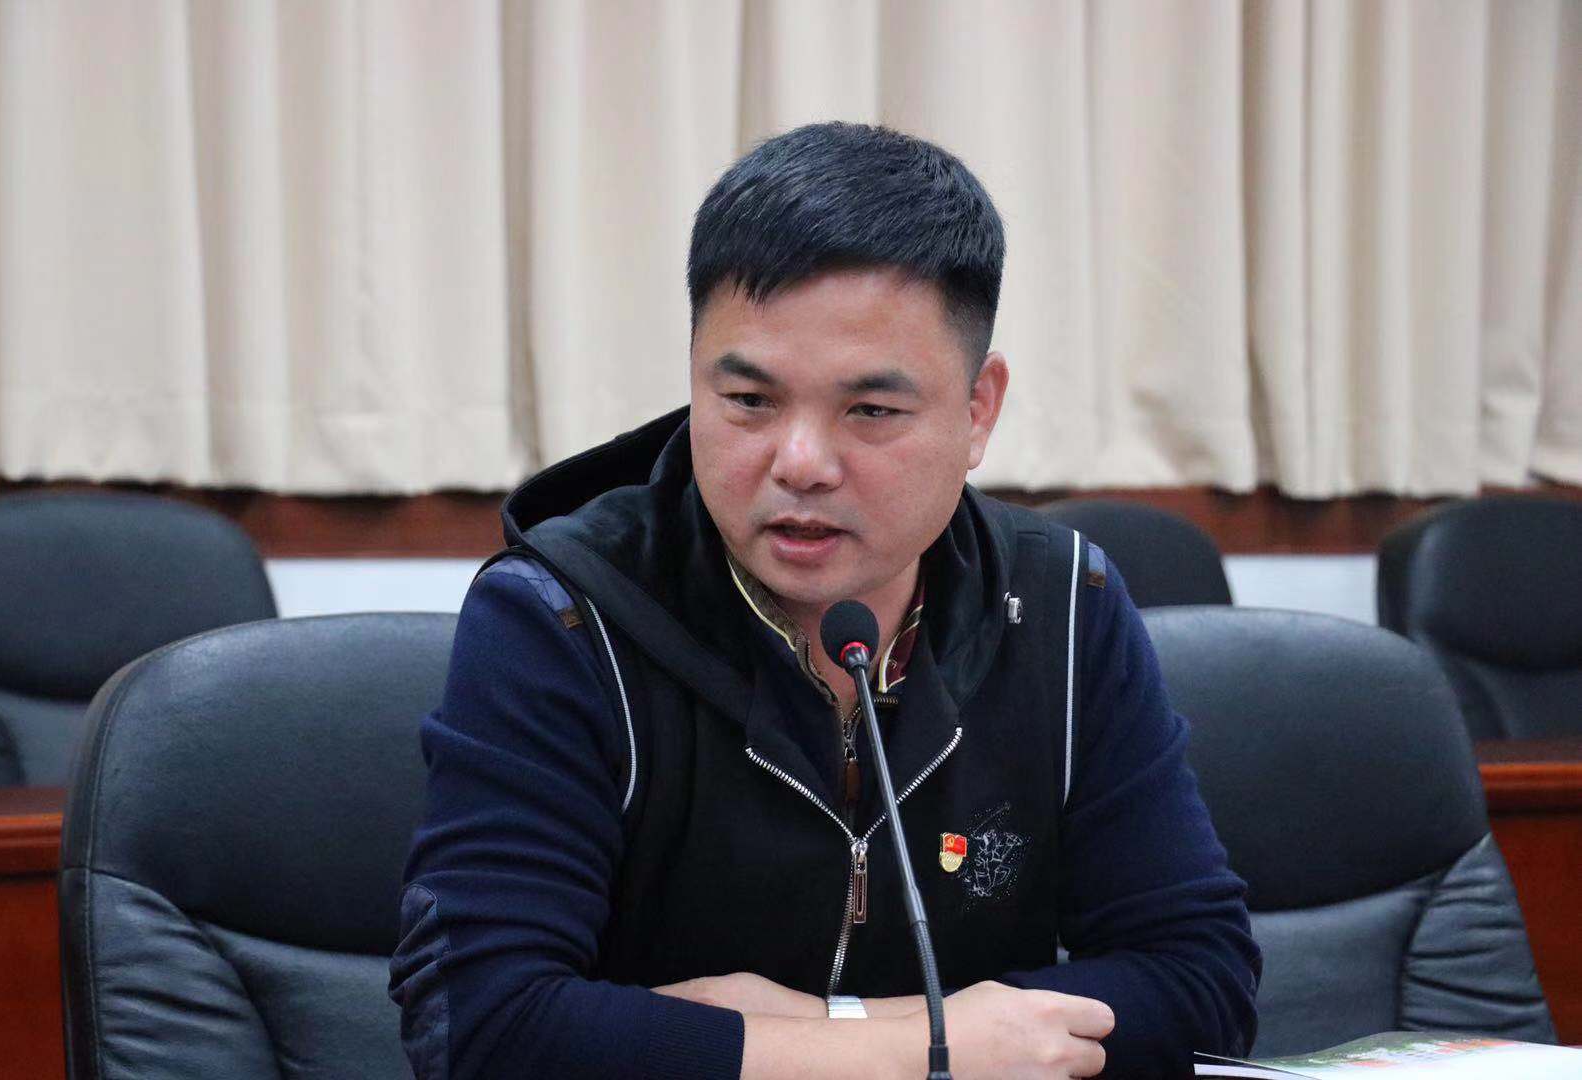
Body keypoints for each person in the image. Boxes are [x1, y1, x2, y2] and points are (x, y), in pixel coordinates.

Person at [390, 122, 1260, 1079]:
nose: (800, 463)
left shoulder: (1062, 606)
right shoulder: (561, 617)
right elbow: (480, 1028)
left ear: (978, 410)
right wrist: (935, 1049)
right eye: (749, 402)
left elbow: (1202, 985)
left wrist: (836, 1031)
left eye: (871, 411)